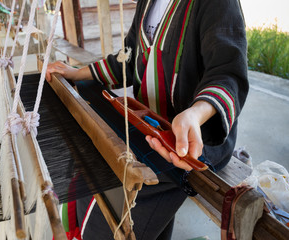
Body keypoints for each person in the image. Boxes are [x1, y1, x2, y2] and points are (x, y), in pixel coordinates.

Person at [46, 0, 248, 239]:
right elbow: (128, 58)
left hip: (193, 139)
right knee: (95, 178)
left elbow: (227, 73)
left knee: (111, 216)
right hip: (148, 126)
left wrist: (195, 114)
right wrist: (76, 72)